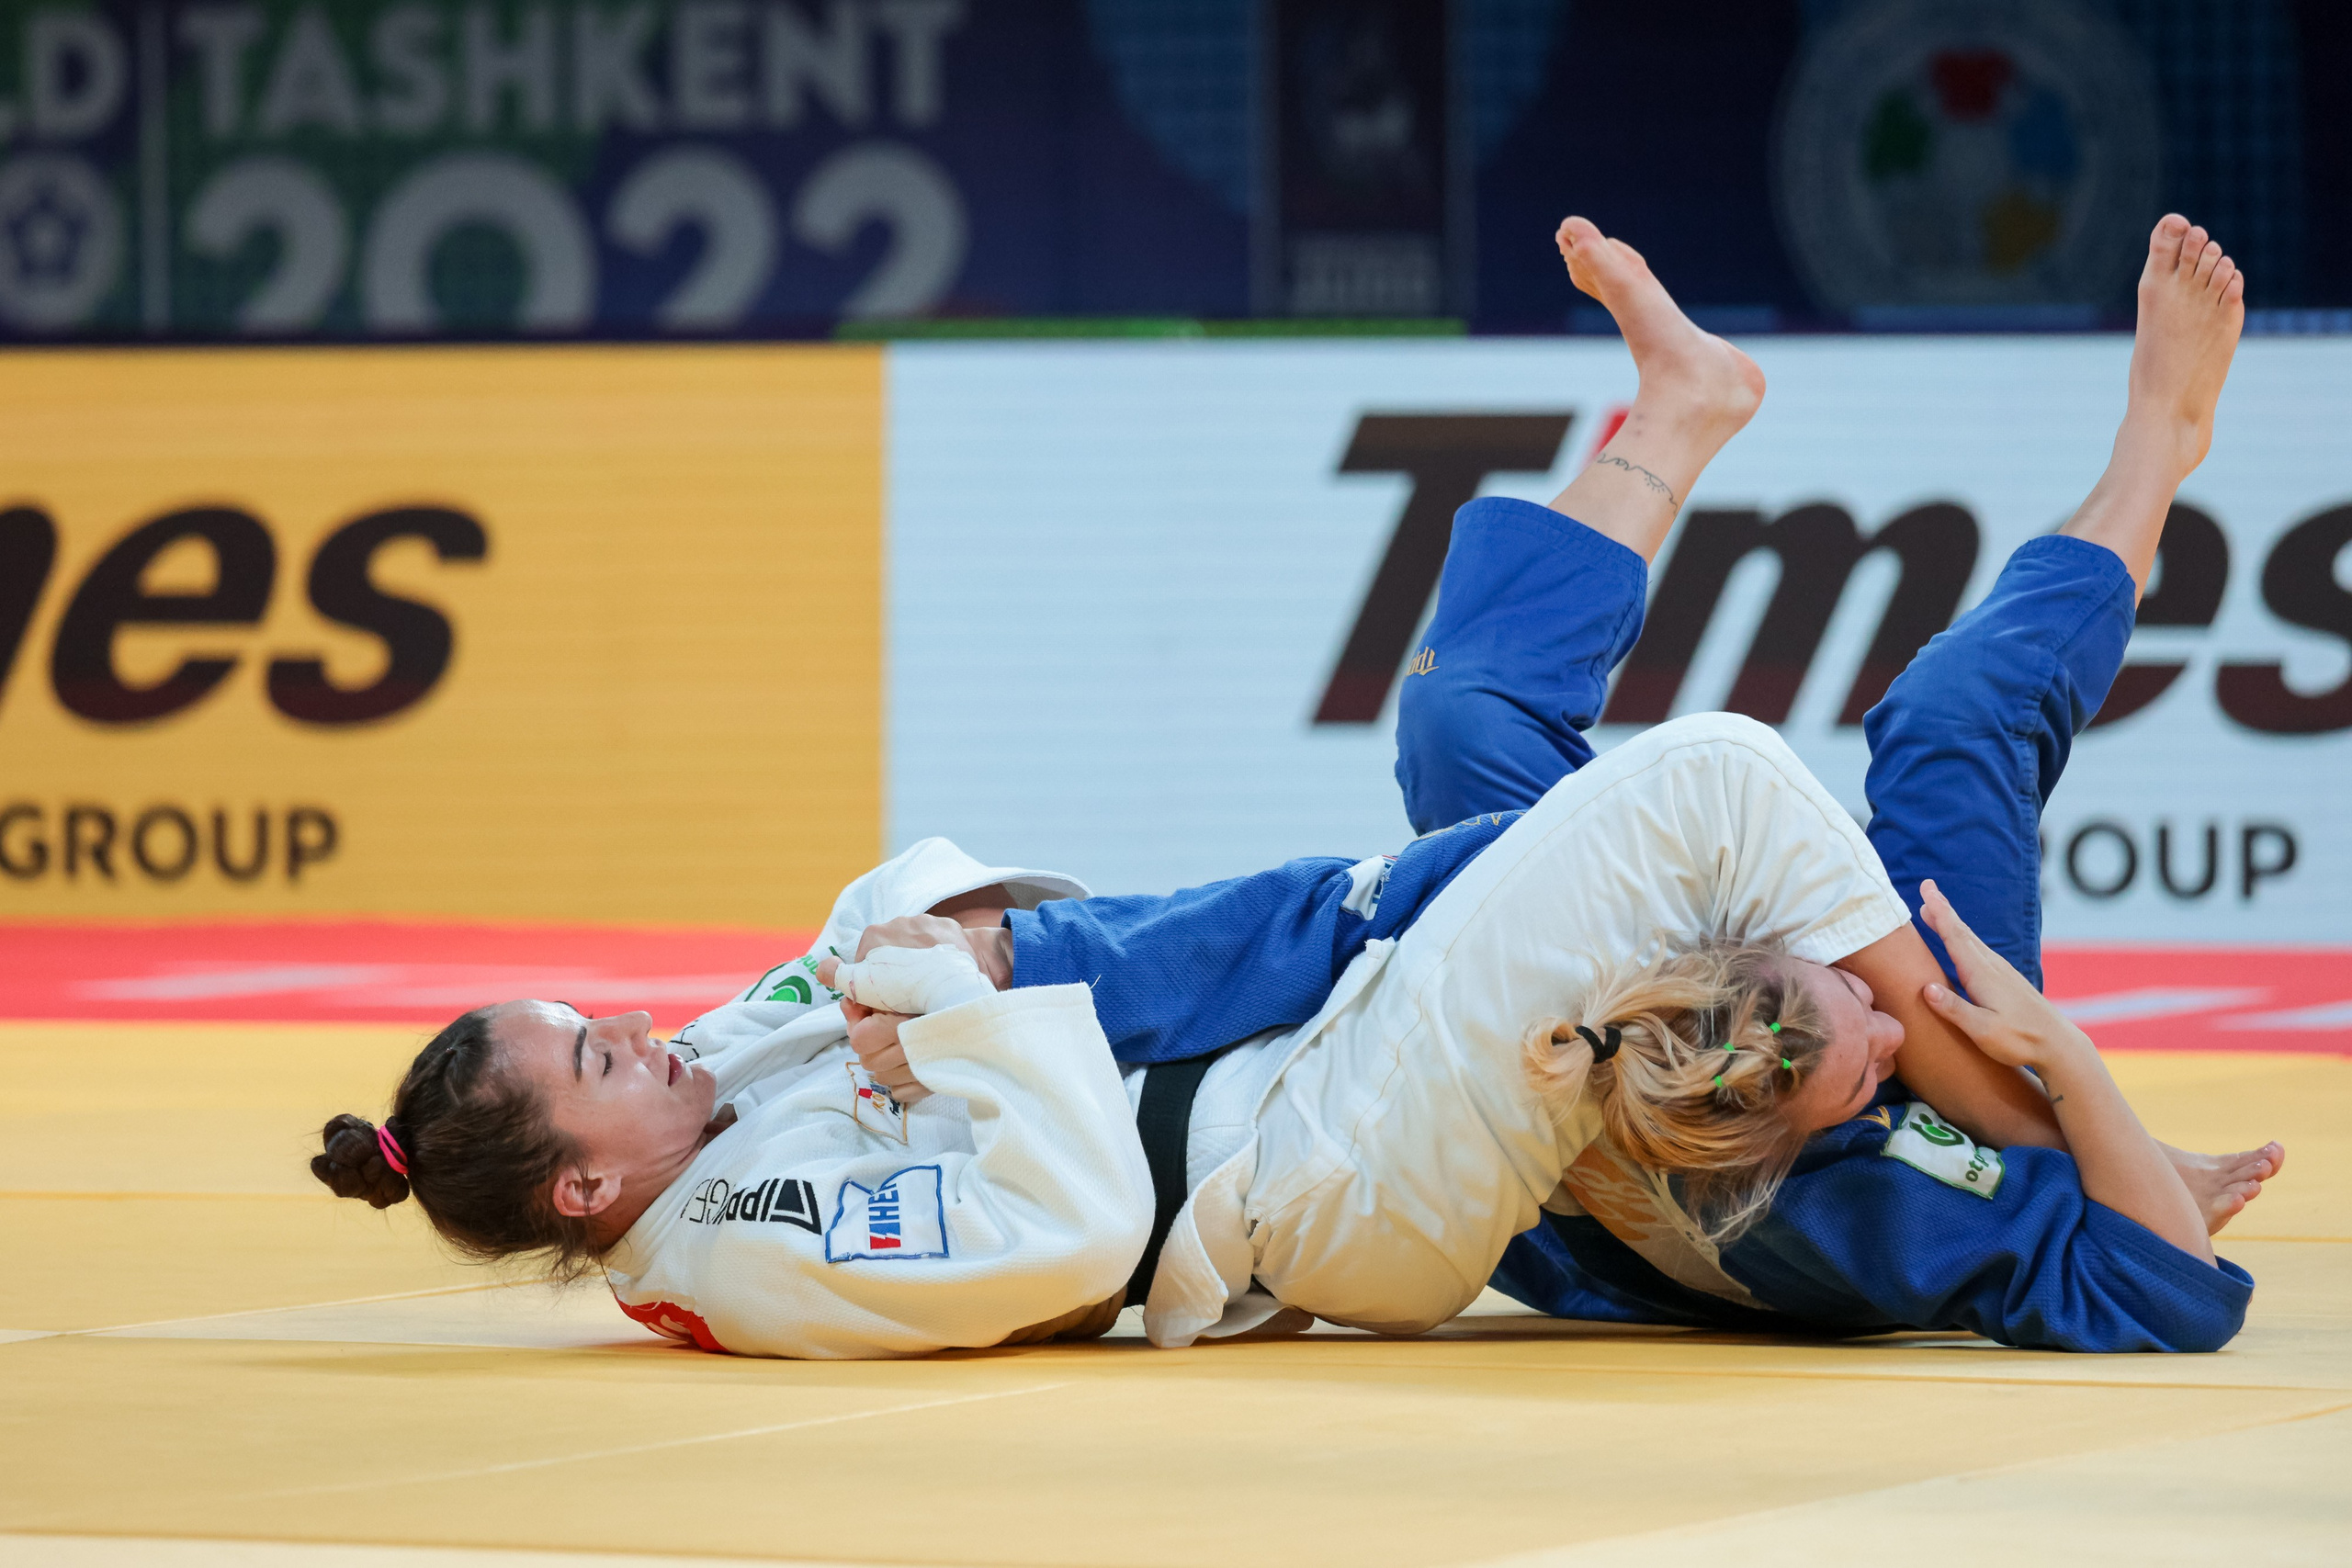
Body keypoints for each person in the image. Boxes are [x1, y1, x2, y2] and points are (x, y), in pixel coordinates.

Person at [311, 215, 2254, 1359]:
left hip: (1353, 1081)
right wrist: (2076, 1108)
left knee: (1466, 741)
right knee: (1732, 776)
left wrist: (919, 963)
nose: (646, 1033)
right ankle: (2145, 465)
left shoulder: (721, 1097)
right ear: (583, 1178)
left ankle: (1674, 425)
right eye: (602, 1055)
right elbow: (1062, 1238)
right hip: (1327, 1172)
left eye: (606, 1018)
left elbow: (863, 948)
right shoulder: (750, 1234)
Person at [1487, 216, 2278, 1352]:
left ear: (1710, 960)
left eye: (1835, 983)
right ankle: (2160, 437)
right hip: (1818, 1155)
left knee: (1465, 721)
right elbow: (2169, 1292)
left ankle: (1679, 405)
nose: (1878, 999)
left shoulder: (1534, 997)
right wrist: (2071, 1078)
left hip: (1663, 1066)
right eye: (1861, 1046)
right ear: (1819, 1130)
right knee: (1952, 718)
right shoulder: (1878, 1199)